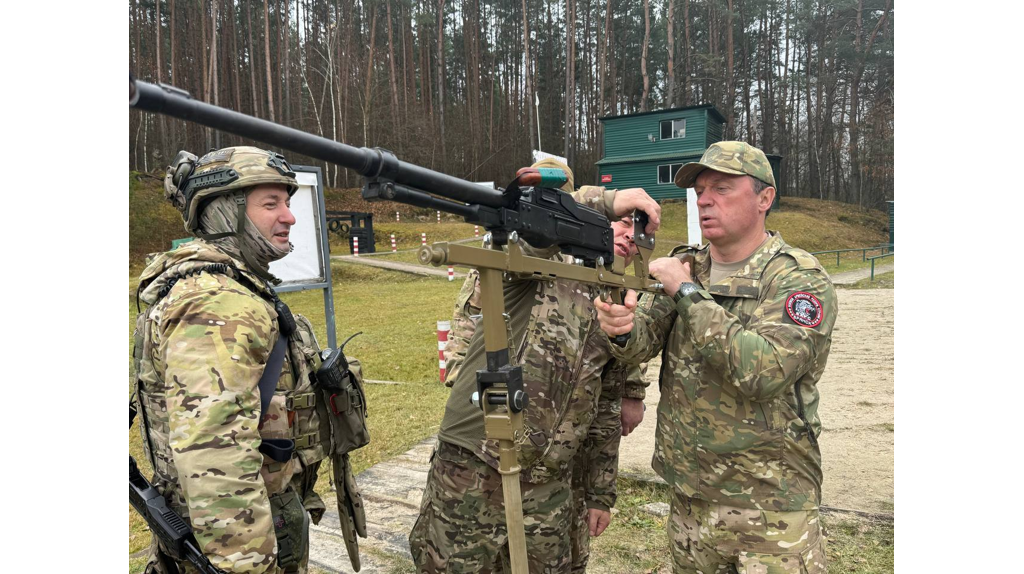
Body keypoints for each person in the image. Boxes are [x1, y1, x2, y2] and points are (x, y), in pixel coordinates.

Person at [594, 141, 837, 574]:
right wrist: (622, 327)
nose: (704, 199)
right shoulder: (689, 264)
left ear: (764, 198)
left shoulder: (797, 278)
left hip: (769, 506)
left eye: (722, 189)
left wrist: (685, 292)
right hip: (690, 496)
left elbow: (764, 371)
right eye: (700, 190)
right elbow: (644, 341)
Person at [409, 158, 660, 573]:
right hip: (476, 463)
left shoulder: (611, 301)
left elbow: (605, 407)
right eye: (621, 225)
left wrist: (600, 493)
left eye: (638, 238)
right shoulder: (528, 262)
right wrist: (606, 200)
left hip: (549, 477)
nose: (628, 239)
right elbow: (533, 226)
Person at [132, 146, 364, 574]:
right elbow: (214, 454)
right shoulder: (217, 304)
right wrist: (245, 563)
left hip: (258, 520)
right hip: (240, 541)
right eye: (270, 204)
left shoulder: (228, 287)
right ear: (225, 212)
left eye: (288, 203)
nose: (289, 216)